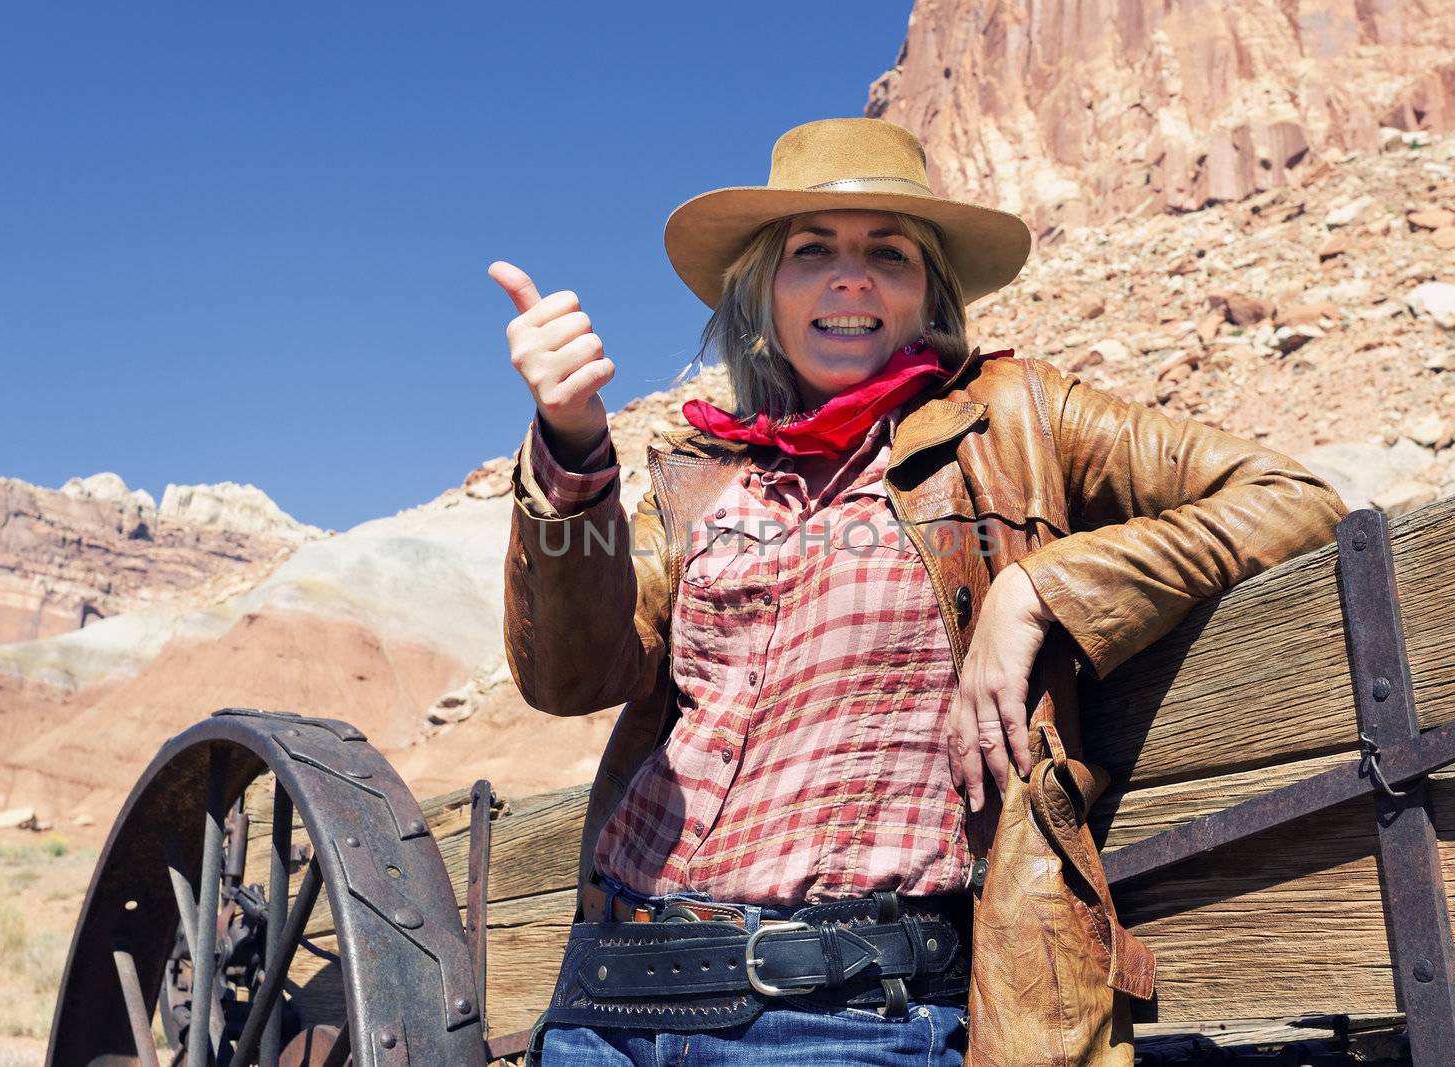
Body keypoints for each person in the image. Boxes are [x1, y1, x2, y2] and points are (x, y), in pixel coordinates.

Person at [493, 118, 1346, 1067]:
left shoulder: (1017, 416)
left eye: (887, 253)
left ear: (928, 292)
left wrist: (1041, 588)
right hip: (607, 1002)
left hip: (845, 1019)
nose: (849, 277)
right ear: (762, 293)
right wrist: (572, 448)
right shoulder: (700, 481)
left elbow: (1293, 500)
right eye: (810, 251)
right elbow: (569, 676)